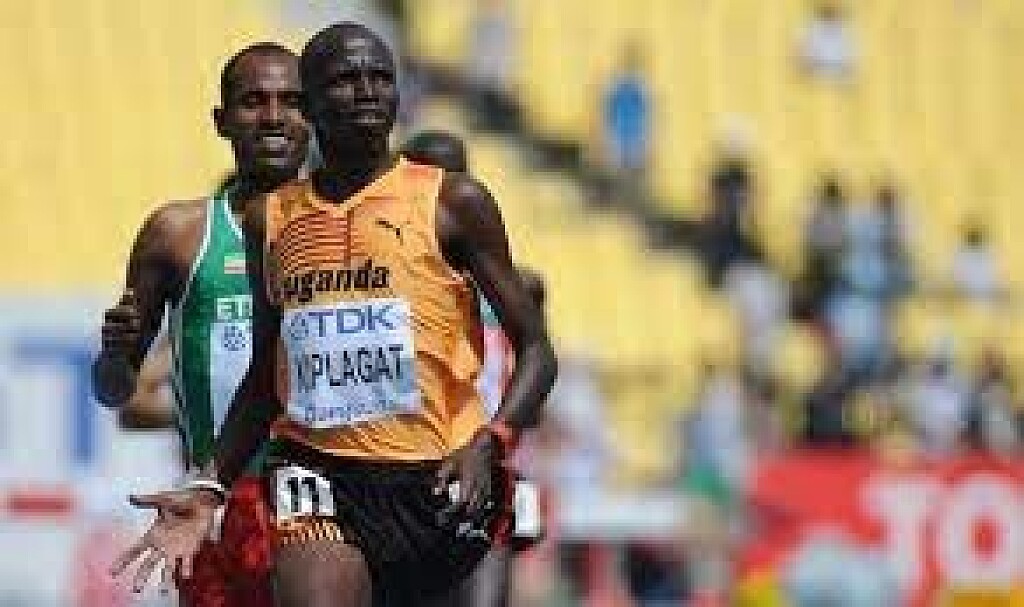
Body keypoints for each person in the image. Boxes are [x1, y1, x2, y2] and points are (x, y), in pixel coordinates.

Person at [122, 22, 558, 607]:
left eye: (381, 78)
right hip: (319, 475)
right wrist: (209, 483)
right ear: (310, 106)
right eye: (347, 80)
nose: (367, 91)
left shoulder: (453, 203)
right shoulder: (272, 219)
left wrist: (493, 440)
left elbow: (537, 349)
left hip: (444, 477)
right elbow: (267, 376)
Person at [95, 43, 310, 605]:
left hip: (327, 505)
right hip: (218, 505)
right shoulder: (179, 235)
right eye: (253, 101)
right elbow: (114, 392)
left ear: (312, 116)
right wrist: (114, 355)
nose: (273, 116)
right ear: (221, 121)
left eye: (291, 101)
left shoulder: (355, 229)